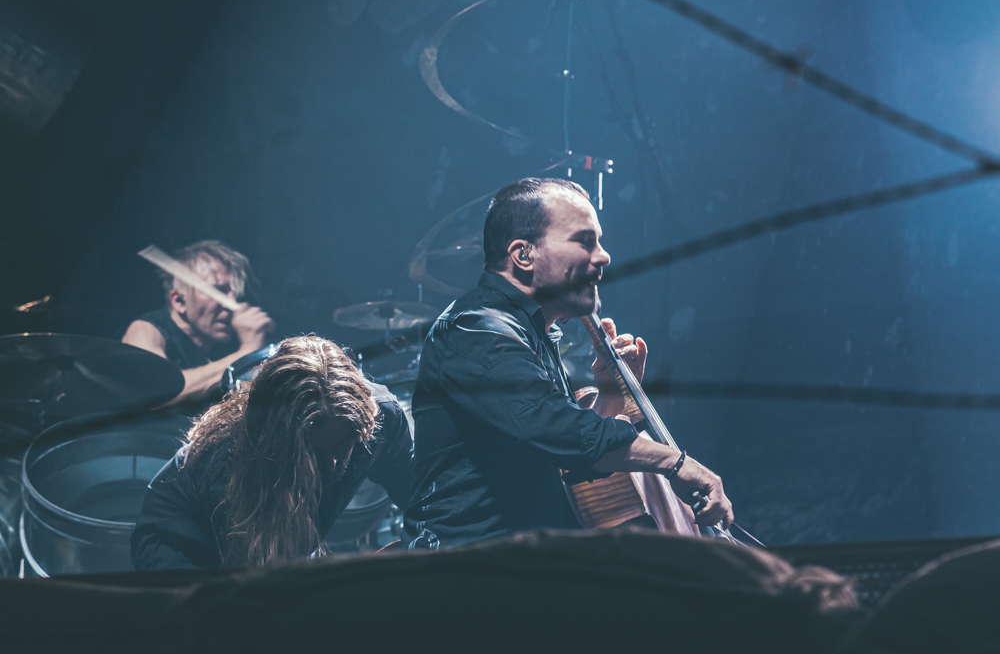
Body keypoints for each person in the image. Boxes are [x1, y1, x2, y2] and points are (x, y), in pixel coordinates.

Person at [405, 177, 734, 548]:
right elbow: (555, 427)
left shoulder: (533, 332)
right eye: (585, 241)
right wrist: (675, 463)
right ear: (523, 255)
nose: (604, 256)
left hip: (525, 558)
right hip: (467, 566)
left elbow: (564, 456)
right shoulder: (476, 329)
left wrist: (610, 397)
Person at [132, 335, 413, 570]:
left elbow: (422, 497)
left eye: (342, 444)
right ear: (278, 441)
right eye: (312, 450)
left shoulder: (382, 417)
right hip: (177, 544)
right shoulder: (230, 462)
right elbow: (262, 582)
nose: (331, 463)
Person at [122, 240, 276, 409]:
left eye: (235, 294)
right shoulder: (146, 330)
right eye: (217, 291)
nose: (232, 303)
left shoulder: (226, 344)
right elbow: (155, 392)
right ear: (179, 301)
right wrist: (247, 353)